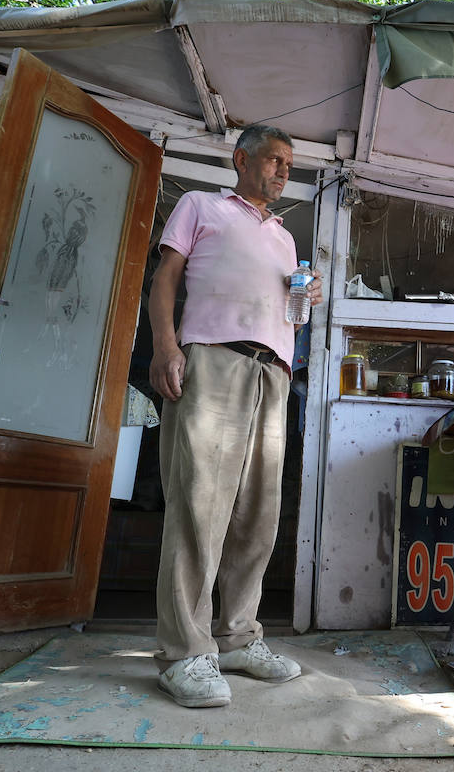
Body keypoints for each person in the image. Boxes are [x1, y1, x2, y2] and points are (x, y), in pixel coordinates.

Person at [147, 123, 321, 708]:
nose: (283, 171)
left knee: (258, 515)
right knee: (199, 506)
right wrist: (166, 346)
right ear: (241, 159)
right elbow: (165, 279)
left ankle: (238, 637)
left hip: (272, 373)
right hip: (213, 359)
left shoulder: (285, 238)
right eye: (274, 159)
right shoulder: (201, 206)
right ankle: (184, 652)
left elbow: (288, 314)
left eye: (289, 164)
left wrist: (304, 299)